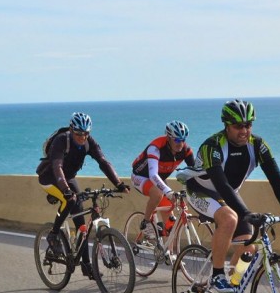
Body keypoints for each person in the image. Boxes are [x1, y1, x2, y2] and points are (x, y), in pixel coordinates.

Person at [179, 99, 280, 293]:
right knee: (230, 219)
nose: (244, 131)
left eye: (248, 125)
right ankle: (216, 275)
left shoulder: (258, 145)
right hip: (200, 190)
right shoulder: (212, 146)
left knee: (249, 247)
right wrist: (245, 213)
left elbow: (275, 177)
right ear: (226, 125)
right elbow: (221, 184)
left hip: (227, 194)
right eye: (238, 126)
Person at [35, 112, 128, 279]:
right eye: (79, 133)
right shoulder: (62, 140)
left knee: (82, 226)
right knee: (69, 200)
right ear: (71, 130)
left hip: (68, 178)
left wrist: (118, 184)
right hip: (49, 178)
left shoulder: (88, 142)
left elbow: (103, 162)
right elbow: (57, 166)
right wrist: (65, 189)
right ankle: (53, 234)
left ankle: (86, 264)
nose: (83, 137)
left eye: (86, 133)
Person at [130, 120, 193, 233]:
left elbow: (195, 172)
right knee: (158, 193)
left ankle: (168, 249)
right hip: (140, 177)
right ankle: (146, 222)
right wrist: (168, 192)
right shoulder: (155, 148)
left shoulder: (186, 151)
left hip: (159, 180)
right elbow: (153, 175)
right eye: (177, 140)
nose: (181, 143)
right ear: (168, 138)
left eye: (183, 140)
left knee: (171, 226)